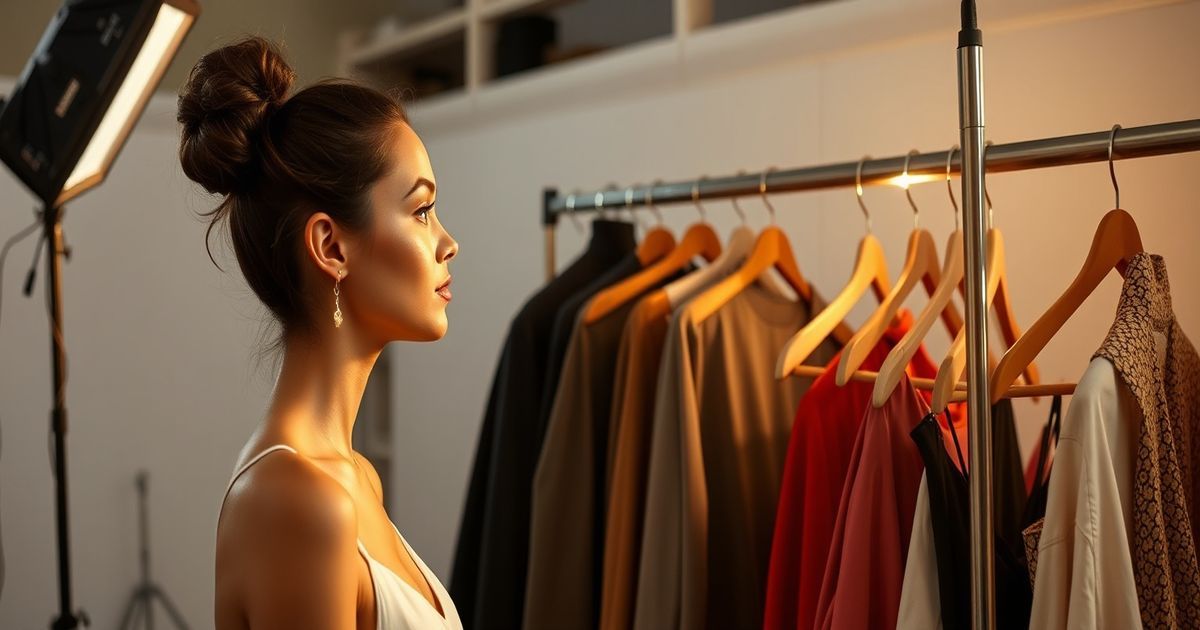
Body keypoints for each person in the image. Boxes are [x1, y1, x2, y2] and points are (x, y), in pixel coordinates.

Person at [177, 35, 461, 629]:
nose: (447, 242)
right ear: (331, 246)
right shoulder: (298, 502)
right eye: (420, 210)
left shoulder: (356, 479)